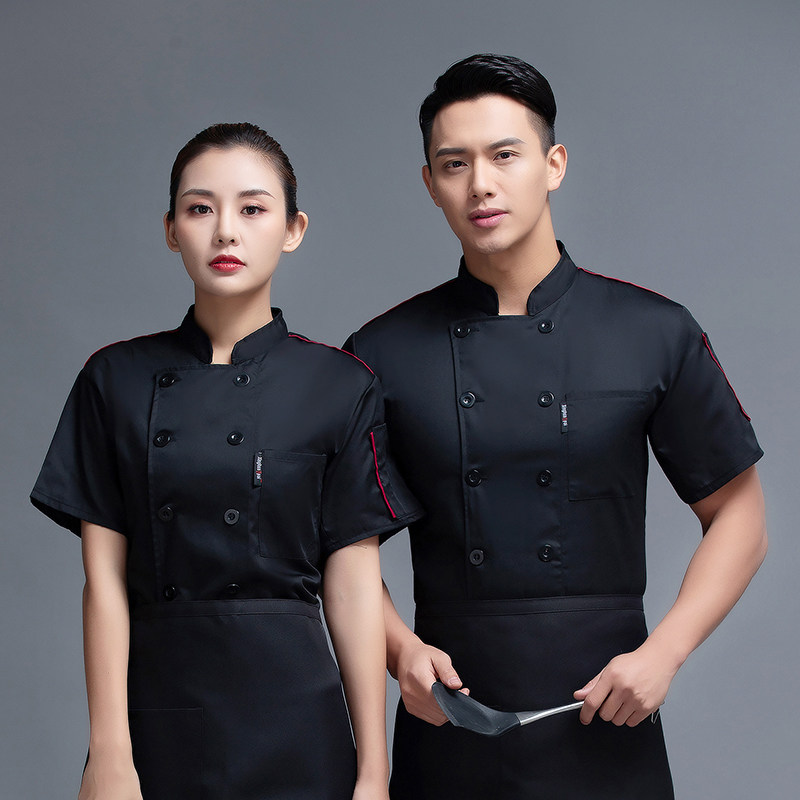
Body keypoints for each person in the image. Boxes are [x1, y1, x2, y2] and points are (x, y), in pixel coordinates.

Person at [344, 54, 767, 799]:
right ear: (430, 184)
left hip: (607, 713)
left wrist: (663, 655)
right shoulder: (379, 354)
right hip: (450, 717)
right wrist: (399, 650)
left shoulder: (652, 331)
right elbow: (346, 545)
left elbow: (740, 515)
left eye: (505, 155)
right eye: (454, 163)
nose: (481, 183)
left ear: (554, 165)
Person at [31, 122, 422, 800]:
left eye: (252, 208)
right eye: (199, 208)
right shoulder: (114, 379)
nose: (225, 232)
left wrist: (372, 773)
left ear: (293, 229)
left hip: (300, 723)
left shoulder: (341, 384)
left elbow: (355, 589)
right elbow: (104, 584)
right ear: (170, 229)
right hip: (158, 718)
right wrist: (110, 752)